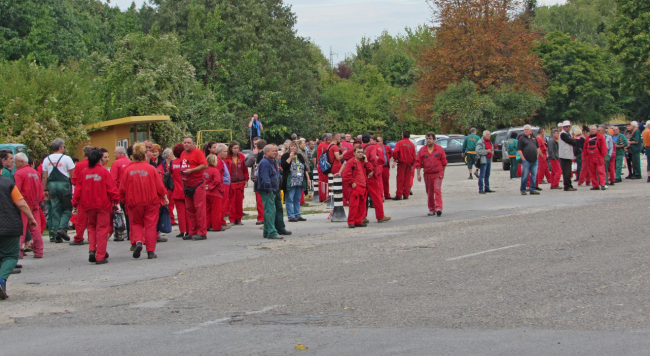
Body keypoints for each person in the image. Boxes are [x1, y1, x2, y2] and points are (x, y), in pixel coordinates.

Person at [120, 143, 168, 259]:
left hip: (134, 202)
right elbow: (159, 186)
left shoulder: (128, 170)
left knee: (136, 223)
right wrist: (164, 196)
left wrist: (123, 201)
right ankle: (150, 251)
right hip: (151, 201)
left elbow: (122, 189)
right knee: (150, 226)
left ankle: (138, 242)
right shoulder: (151, 169)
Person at [72, 150, 120, 264]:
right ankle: (100, 256)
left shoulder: (84, 173)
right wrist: (116, 201)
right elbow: (112, 189)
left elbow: (77, 191)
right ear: (99, 159)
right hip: (103, 205)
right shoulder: (103, 171)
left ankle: (92, 249)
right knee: (102, 230)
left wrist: (74, 204)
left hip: (88, 206)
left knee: (92, 228)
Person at [0, 167, 38, 300]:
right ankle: (1, 280)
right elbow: (21, 203)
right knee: (11, 255)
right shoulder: (8, 184)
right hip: (8, 225)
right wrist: (31, 218)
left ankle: (2, 287)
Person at [42, 138, 75, 243]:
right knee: (67, 208)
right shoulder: (66, 158)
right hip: (64, 185)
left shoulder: (46, 160)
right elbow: (71, 175)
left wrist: (45, 189)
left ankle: (56, 234)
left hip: (52, 185)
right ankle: (62, 228)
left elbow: (44, 177)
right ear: (61, 147)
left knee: (55, 209)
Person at [13, 153, 44, 259]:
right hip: (35, 203)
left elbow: (16, 190)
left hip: (24, 204)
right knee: (35, 228)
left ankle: (19, 252)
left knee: (21, 229)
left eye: (16, 162)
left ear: (21, 162)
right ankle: (39, 251)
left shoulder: (19, 173)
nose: (15, 165)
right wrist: (39, 202)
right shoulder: (35, 172)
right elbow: (40, 189)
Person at [257, 144, 291, 239]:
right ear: (266, 152)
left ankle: (279, 228)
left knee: (278, 209)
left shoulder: (274, 161)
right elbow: (265, 178)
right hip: (268, 190)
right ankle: (271, 232)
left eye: (276, 150)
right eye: (273, 151)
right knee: (270, 211)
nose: (276, 152)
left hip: (275, 189)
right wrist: (269, 189)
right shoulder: (264, 162)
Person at [180, 137, 208, 240]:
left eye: (188, 142)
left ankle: (202, 232)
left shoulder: (198, 152)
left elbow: (205, 165)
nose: (186, 144)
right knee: (190, 209)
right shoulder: (183, 153)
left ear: (193, 144)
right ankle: (193, 231)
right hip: (187, 185)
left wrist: (192, 170)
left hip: (197, 183)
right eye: (185, 142)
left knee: (199, 208)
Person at [415, 132, 447, 216]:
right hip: (427, 174)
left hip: (438, 173)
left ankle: (438, 208)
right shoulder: (422, 150)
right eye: (427, 138)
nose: (428, 140)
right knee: (429, 192)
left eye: (430, 138)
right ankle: (431, 209)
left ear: (434, 139)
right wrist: (418, 174)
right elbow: (418, 162)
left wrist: (442, 172)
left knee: (437, 190)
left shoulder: (439, 149)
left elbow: (444, 162)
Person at [361, 134, 391, 223]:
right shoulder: (372, 147)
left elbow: (348, 156)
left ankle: (362, 216)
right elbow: (374, 159)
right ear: (370, 140)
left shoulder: (358, 148)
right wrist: (373, 170)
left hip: (361, 174)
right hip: (370, 174)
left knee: (363, 197)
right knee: (376, 195)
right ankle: (380, 215)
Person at [341, 146, 372, 228]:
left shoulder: (363, 162)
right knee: (354, 205)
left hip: (363, 186)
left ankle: (358, 221)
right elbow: (346, 175)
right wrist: (352, 183)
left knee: (362, 205)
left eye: (362, 152)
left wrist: (366, 161)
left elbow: (370, 170)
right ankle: (351, 221)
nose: (360, 153)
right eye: (358, 152)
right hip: (356, 187)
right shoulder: (351, 162)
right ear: (354, 153)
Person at [281, 141, 311, 222]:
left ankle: (297, 214)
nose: (293, 148)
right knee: (289, 198)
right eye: (291, 146)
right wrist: (290, 157)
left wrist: (308, 178)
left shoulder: (300, 156)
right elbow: (284, 166)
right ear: (289, 147)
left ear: (297, 147)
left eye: (294, 146)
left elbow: (304, 168)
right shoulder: (285, 156)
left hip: (299, 180)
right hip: (290, 180)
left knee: (297, 198)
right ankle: (290, 216)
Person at [225, 141, 249, 225]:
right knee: (232, 202)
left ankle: (238, 219)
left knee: (239, 201)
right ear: (230, 149)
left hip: (241, 182)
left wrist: (246, 179)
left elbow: (245, 169)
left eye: (237, 148)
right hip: (232, 182)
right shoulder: (227, 158)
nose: (236, 150)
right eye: (234, 148)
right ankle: (232, 219)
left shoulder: (242, 157)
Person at [244, 138, 266, 226]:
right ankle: (261, 217)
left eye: (258, 143)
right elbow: (247, 164)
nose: (256, 145)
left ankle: (267, 217)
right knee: (259, 200)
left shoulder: (266, 152)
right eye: (255, 144)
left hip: (266, 178)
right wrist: (254, 154)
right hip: (257, 179)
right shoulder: (252, 153)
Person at [170, 144, 189, 238]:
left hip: (176, 191)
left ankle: (182, 230)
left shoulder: (172, 163)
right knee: (188, 211)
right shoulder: (185, 162)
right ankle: (189, 230)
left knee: (180, 213)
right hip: (186, 189)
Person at [391, 131, 416, 199]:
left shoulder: (400, 143)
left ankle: (399, 194)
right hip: (409, 164)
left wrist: (396, 159)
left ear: (403, 135)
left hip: (402, 163)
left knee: (400, 179)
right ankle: (406, 194)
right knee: (407, 179)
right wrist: (412, 164)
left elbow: (395, 151)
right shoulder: (412, 144)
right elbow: (414, 155)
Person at [517, 125, 540, 195]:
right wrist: (523, 158)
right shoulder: (521, 138)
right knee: (525, 176)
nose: (526, 130)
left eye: (527, 129)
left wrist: (537, 156)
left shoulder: (534, 138)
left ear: (530, 131)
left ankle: (532, 189)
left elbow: (538, 147)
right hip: (526, 160)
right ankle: (523, 189)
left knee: (534, 175)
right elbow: (519, 149)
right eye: (525, 129)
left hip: (534, 160)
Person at [204, 154, 224, 233]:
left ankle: (206, 226)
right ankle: (216, 226)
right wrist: (210, 186)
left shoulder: (204, 170)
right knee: (216, 211)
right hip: (215, 192)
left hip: (205, 192)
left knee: (207, 210)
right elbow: (217, 180)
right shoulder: (215, 170)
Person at [584, 125, 607, 190]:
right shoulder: (587, 138)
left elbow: (604, 147)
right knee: (592, 172)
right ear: (590, 130)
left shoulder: (600, 137)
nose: (593, 130)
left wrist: (603, 155)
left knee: (601, 171)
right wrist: (586, 156)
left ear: (596, 130)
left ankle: (602, 184)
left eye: (594, 129)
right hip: (590, 158)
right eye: (592, 129)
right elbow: (585, 148)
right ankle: (595, 185)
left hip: (599, 157)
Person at [215, 144, 231, 230]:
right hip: (223, 184)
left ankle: (222, 220)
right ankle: (220, 221)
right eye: (224, 151)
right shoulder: (218, 161)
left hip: (225, 184)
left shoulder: (222, 160)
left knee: (224, 204)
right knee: (221, 205)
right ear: (219, 152)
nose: (226, 153)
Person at [558, 121, 578, 191]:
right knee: (566, 172)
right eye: (566, 126)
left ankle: (569, 185)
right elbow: (571, 141)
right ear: (563, 127)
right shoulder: (563, 134)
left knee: (569, 171)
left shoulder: (567, 134)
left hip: (568, 155)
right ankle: (567, 186)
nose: (568, 128)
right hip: (564, 155)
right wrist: (575, 141)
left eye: (569, 126)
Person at [162, 148, 176, 226]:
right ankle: (170, 220)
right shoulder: (163, 164)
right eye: (172, 154)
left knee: (171, 204)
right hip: (166, 186)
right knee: (169, 204)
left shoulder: (172, 163)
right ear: (168, 156)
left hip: (171, 186)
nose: (173, 156)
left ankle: (172, 219)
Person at [316, 133, 332, 202]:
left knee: (322, 182)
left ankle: (322, 197)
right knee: (325, 182)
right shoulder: (326, 146)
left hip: (321, 165)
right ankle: (325, 197)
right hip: (325, 166)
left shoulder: (321, 145)